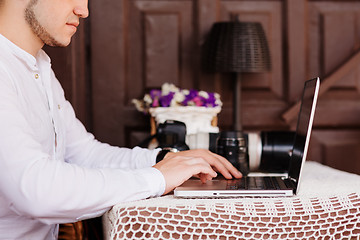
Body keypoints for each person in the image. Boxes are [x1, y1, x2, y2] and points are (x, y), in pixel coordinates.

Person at [0, 0, 242, 239]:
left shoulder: (38, 66)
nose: (83, 11)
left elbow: (85, 155)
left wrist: (165, 159)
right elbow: (37, 191)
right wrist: (157, 178)